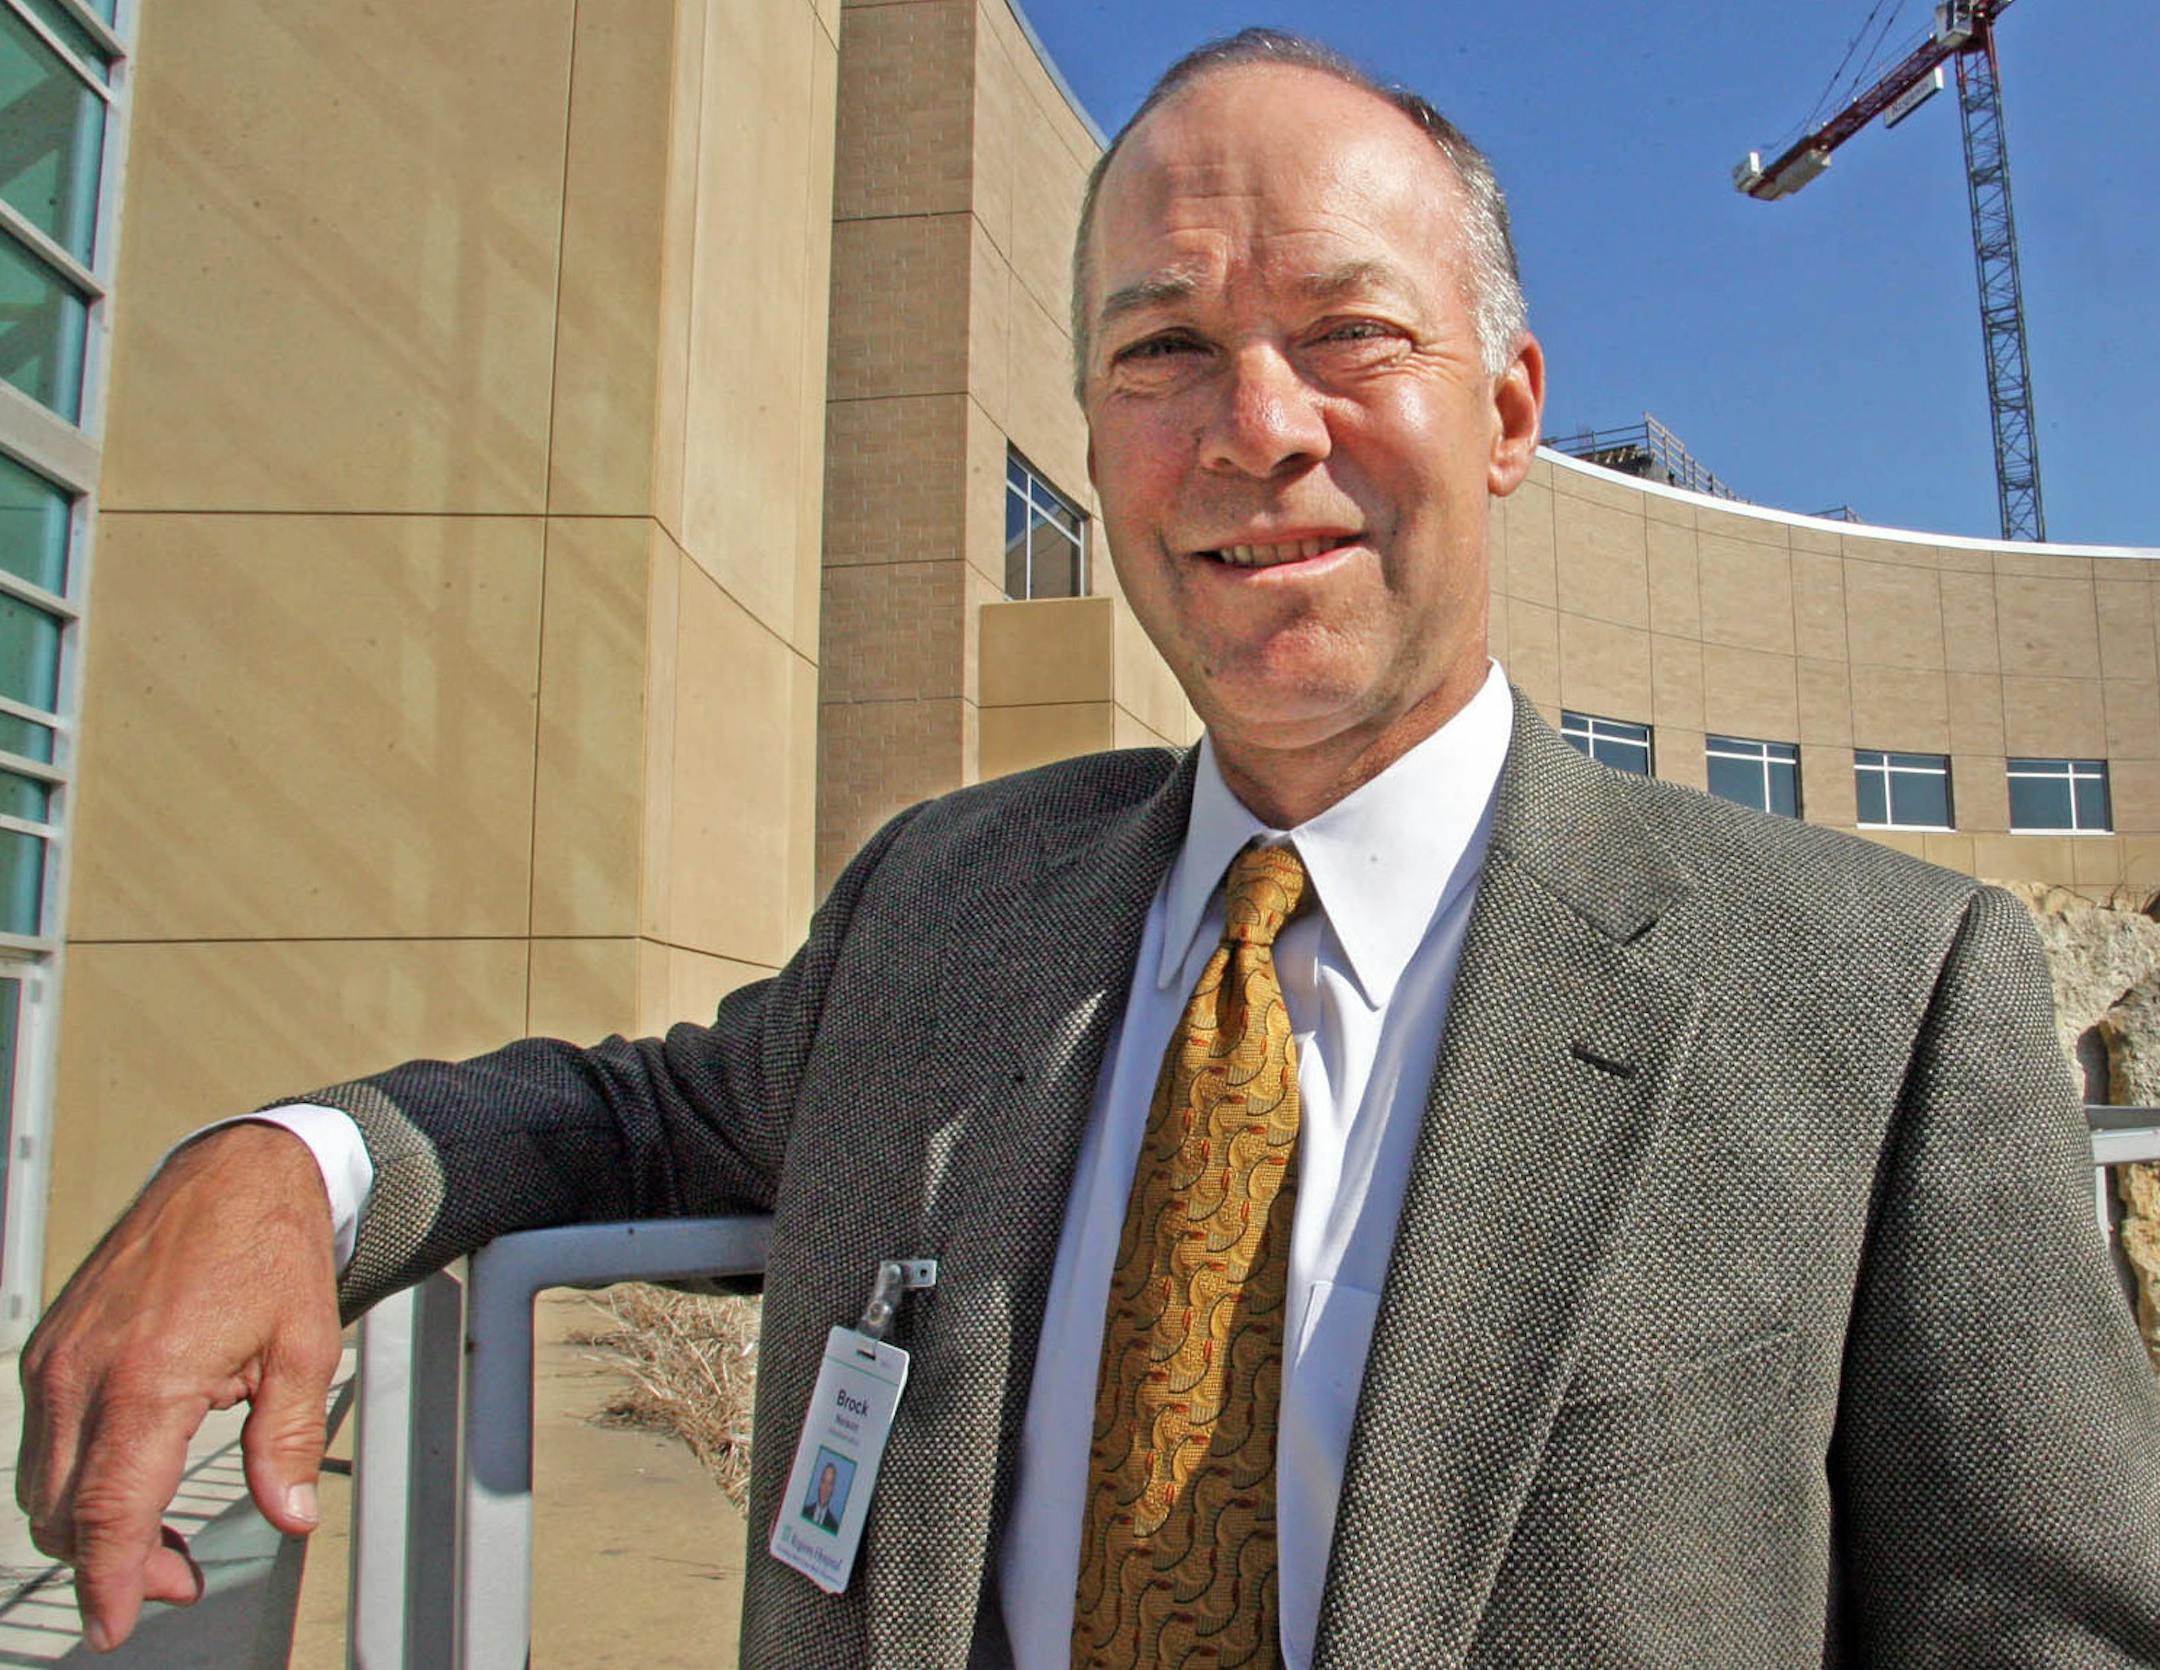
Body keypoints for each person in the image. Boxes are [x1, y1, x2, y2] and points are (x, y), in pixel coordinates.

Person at [19, 27, 2160, 1668]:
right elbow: (621, 1118)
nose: (1255, 426)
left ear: (1508, 413)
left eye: (1349, 334)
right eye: (1163, 353)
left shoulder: (1875, 1004)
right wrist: (284, 1166)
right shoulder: (949, 909)